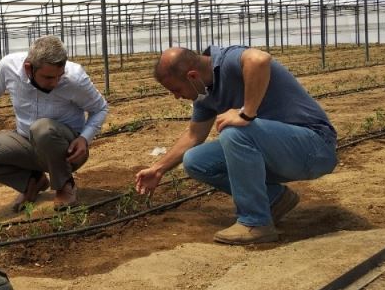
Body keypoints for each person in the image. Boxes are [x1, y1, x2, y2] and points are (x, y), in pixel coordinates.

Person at [135, 45, 338, 245]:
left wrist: (245, 113)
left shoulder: (228, 60)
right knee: (195, 160)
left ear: (193, 76)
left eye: (176, 90)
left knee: (236, 131)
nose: (177, 96)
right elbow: (193, 136)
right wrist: (158, 169)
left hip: (315, 147)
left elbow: (259, 59)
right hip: (280, 152)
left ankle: (256, 223)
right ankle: (274, 199)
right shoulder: (205, 95)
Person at [0, 35, 109, 211]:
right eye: (48, 77)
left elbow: (99, 108)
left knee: (42, 129)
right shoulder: (9, 66)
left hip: (66, 149)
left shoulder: (75, 77)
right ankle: (32, 181)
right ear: (28, 68)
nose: (55, 82)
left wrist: (85, 139)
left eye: (59, 76)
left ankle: (64, 184)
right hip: (26, 140)